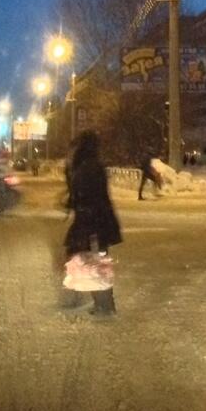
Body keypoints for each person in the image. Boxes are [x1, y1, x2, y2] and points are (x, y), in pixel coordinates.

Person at [64, 130, 122, 316]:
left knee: (94, 263)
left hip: (91, 223)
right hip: (98, 222)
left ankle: (103, 305)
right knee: (95, 262)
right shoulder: (92, 165)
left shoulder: (87, 167)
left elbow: (85, 196)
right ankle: (103, 303)